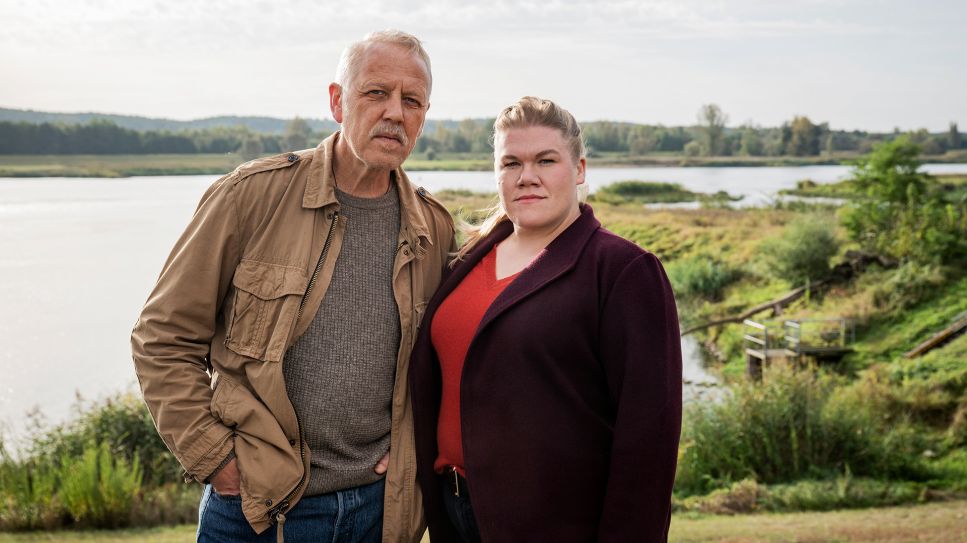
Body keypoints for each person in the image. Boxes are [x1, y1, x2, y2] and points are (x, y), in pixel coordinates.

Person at [131, 30, 454, 543]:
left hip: (379, 513)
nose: (395, 112)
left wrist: (417, 444)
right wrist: (216, 458)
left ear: (423, 115)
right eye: (376, 92)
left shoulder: (433, 228)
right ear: (337, 101)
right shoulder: (251, 196)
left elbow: (448, 360)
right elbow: (162, 337)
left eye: (411, 100)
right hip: (256, 512)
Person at [409, 96, 682, 542]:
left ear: (578, 170)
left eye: (545, 160)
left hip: (554, 524)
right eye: (511, 162)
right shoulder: (466, 260)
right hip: (455, 511)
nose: (527, 176)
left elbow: (648, 441)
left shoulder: (621, 271)